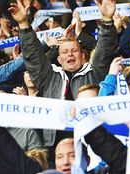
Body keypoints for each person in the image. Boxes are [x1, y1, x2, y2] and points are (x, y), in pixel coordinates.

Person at [11, 0, 118, 151]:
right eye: (65, 52)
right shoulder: (49, 77)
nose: (70, 54)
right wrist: (23, 24)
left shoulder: (95, 72)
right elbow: (34, 56)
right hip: (53, 145)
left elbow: (105, 51)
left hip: (90, 141)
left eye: (74, 50)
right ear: (59, 60)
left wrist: (107, 21)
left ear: (82, 55)